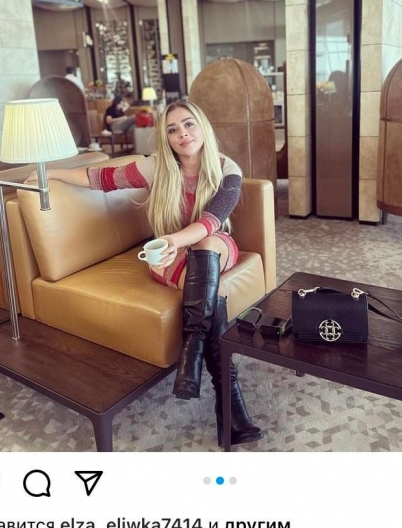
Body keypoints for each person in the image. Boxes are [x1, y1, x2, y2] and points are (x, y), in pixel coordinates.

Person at [25, 100, 262, 446]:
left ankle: (193, 346)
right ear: (166, 137)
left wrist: (174, 239)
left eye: (189, 124)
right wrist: (52, 173)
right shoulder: (155, 168)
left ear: (203, 127)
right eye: (173, 129)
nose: (183, 134)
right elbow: (99, 179)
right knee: (210, 296)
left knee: (207, 242)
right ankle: (231, 409)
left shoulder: (228, 169)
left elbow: (211, 221)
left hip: (214, 246)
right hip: (169, 256)